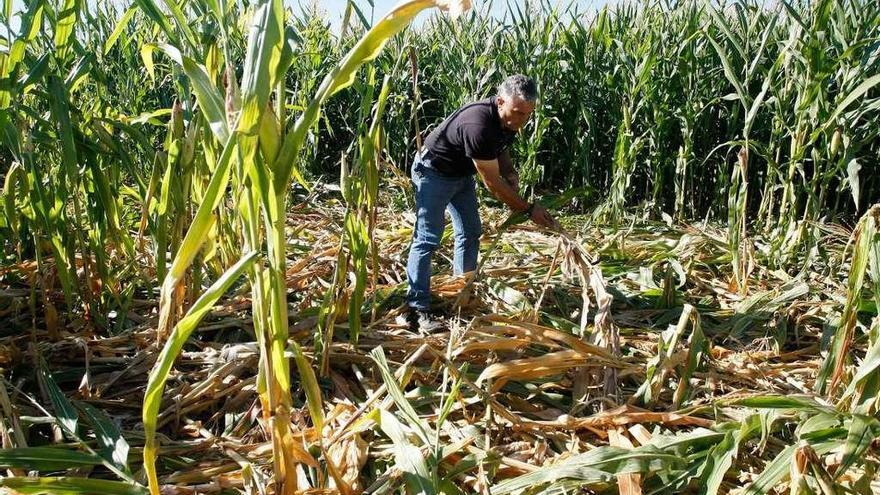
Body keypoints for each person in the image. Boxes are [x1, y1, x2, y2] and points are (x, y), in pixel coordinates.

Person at [404, 74, 558, 332]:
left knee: (471, 231)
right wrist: (528, 209)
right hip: (433, 172)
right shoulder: (479, 124)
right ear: (500, 102)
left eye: (527, 115)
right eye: (518, 112)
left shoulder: (506, 120)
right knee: (428, 238)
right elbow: (492, 183)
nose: (521, 120)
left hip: (460, 174)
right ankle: (416, 308)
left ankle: (461, 291)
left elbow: (501, 146)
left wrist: (509, 171)